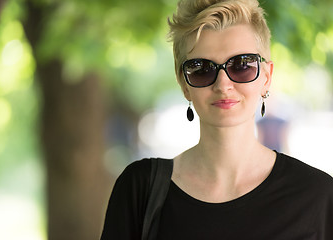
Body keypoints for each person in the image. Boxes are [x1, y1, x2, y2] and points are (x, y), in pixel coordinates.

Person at [101, 0, 333, 239]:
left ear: (266, 76)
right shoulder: (140, 189)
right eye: (201, 68)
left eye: (242, 65)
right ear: (184, 84)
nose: (223, 84)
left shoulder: (318, 195)